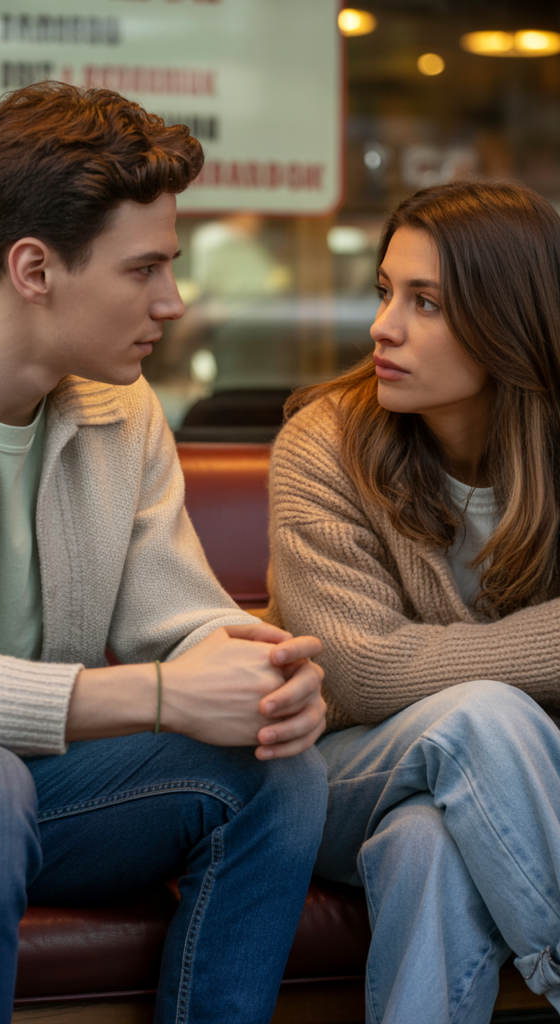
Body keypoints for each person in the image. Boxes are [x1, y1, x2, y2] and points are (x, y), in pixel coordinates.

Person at [0, 81, 328, 1024]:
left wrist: (258, 672)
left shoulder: (122, 403)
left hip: (25, 798)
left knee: (278, 770)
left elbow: (174, 614)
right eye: (143, 270)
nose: (173, 302)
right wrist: (153, 695)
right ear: (34, 268)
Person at [266, 179, 560, 1023]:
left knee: (426, 845)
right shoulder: (326, 442)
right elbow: (359, 672)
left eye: (425, 302)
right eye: (386, 292)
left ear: (513, 316)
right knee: (484, 715)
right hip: (339, 777)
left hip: (523, 792)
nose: (382, 328)